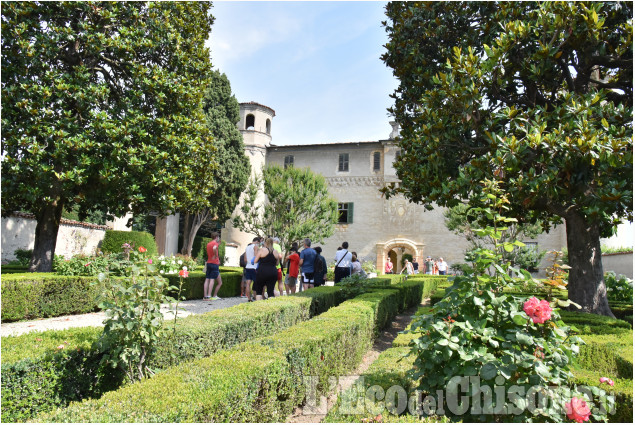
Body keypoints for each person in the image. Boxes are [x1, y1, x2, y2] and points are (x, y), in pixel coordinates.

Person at [204, 232, 223, 300]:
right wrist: (215, 255)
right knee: (212, 279)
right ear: (217, 237)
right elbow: (214, 248)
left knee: (207, 279)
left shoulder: (208, 244)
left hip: (209, 262)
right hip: (214, 263)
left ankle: (205, 295)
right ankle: (209, 295)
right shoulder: (215, 244)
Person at [243, 237, 260, 302]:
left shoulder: (247, 247)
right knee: (256, 283)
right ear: (257, 241)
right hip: (254, 267)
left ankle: (249, 298)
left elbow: (245, 259)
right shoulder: (255, 247)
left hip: (248, 266)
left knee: (248, 284)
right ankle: (256, 297)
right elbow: (256, 257)